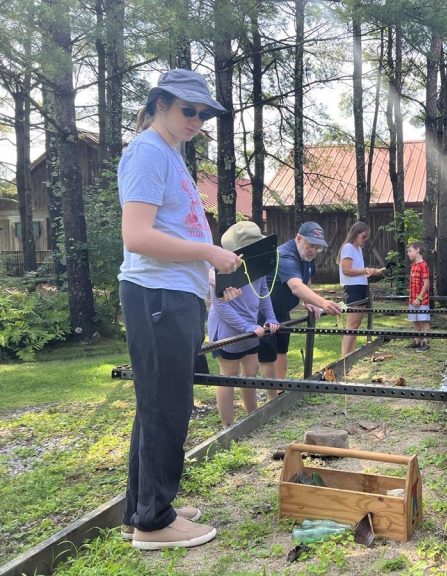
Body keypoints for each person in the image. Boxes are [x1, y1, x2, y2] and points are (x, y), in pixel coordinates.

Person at [118, 69, 241, 549]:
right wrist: (208, 253)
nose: (197, 119)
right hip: (157, 295)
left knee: (158, 404)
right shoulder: (148, 151)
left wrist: (205, 270)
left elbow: (171, 230)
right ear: (161, 104)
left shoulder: (167, 154)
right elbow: (138, 237)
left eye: (203, 113)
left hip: (174, 294)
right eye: (188, 110)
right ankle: (154, 522)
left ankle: (141, 508)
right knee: (166, 405)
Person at [208, 222, 279, 426]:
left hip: (251, 328)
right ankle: (228, 427)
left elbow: (264, 293)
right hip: (228, 331)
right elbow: (221, 307)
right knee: (228, 376)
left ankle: (252, 417)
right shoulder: (222, 269)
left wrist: (271, 317)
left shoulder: (258, 266)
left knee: (250, 373)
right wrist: (245, 327)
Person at [257, 221, 344, 378]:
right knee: (267, 356)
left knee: (282, 350)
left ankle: (280, 390)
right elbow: (296, 286)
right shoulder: (285, 255)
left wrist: (308, 301)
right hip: (264, 312)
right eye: (311, 245)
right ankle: (271, 397)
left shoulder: (307, 256)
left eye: (318, 247)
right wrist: (324, 303)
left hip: (282, 312)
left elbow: (306, 278)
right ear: (298, 238)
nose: (314, 251)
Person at [337, 222, 384, 357]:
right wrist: (365, 270)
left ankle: (350, 354)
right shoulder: (348, 247)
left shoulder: (357, 248)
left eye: (366, 237)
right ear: (355, 234)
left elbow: (356, 269)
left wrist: (369, 272)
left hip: (360, 286)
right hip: (353, 288)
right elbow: (346, 270)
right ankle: (345, 357)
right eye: (363, 237)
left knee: (356, 324)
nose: (365, 240)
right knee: (351, 324)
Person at [406, 241, 430, 350]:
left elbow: (426, 283)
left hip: (422, 300)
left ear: (418, 250)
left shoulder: (423, 265)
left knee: (424, 320)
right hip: (412, 299)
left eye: (410, 251)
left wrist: (419, 298)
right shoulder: (413, 266)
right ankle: (416, 341)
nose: (408, 253)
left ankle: (425, 342)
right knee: (415, 320)